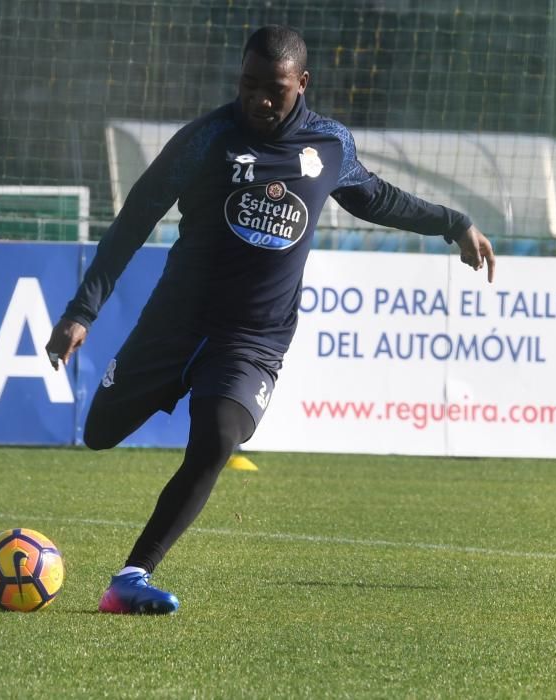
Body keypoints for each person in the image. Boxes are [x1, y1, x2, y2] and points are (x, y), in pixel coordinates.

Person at [45, 25, 495, 615]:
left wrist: (453, 222)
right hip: (174, 324)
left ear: (301, 84)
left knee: (216, 440)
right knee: (100, 433)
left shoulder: (330, 146)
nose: (257, 99)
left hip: (252, 341)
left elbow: (377, 197)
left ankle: (130, 578)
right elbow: (133, 220)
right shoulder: (206, 140)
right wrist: (83, 311)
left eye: (273, 90)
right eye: (248, 85)